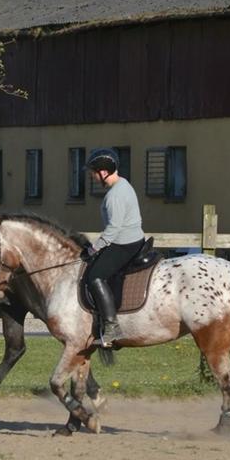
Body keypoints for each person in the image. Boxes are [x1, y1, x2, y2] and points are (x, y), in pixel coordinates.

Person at [84, 147, 145, 347]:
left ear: (103, 172)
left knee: (95, 276)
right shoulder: (124, 184)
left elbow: (113, 229)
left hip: (124, 243)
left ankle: (111, 327)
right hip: (132, 239)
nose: (92, 177)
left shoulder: (115, 195)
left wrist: (93, 249)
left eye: (93, 173)